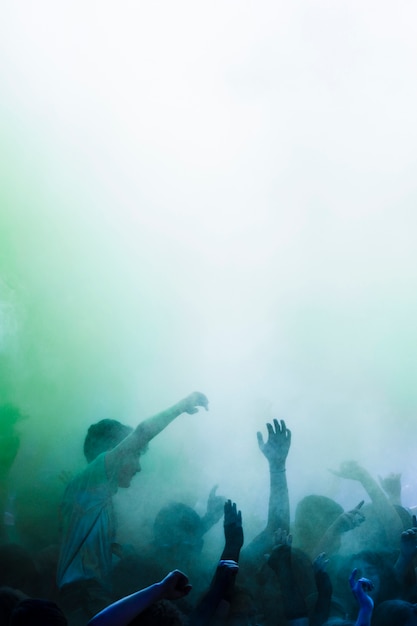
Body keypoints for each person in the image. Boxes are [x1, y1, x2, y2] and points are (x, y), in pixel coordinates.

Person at [57, 391, 208, 625]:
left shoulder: (97, 500)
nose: (138, 467)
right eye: (135, 454)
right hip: (84, 599)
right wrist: (181, 406)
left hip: (89, 598)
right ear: (115, 453)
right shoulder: (91, 482)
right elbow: (141, 433)